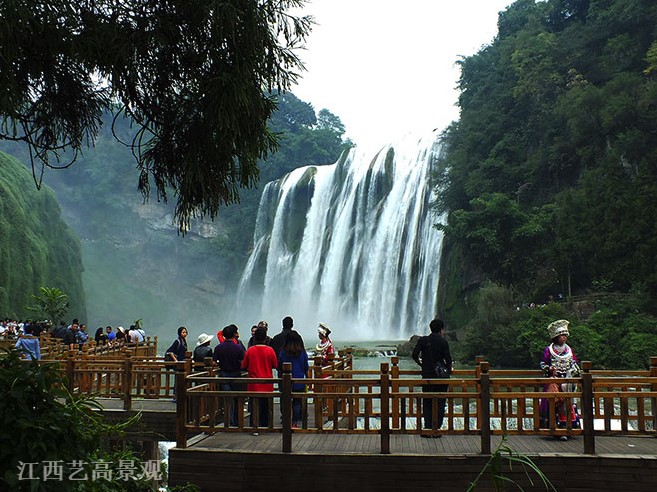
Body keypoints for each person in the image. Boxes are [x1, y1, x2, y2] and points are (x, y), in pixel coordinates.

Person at [539, 319, 581, 440]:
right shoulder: (549, 350)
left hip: (568, 380)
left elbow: (574, 363)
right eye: (561, 336)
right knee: (555, 402)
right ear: (556, 337)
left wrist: (574, 370)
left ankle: (569, 428)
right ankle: (555, 428)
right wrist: (549, 369)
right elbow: (543, 364)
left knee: (569, 403)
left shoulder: (569, 350)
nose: (563, 338)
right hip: (554, 380)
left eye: (565, 335)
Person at [412, 318, 452, 437]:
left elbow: (414, 354)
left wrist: (421, 364)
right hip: (441, 378)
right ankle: (436, 430)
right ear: (441, 330)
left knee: (428, 402)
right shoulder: (443, 342)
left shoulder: (423, 340)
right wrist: (448, 370)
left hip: (427, 376)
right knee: (440, 403)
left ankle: (427, 428)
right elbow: (448, 360)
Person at [242, 327, 278, 433]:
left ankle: (254, 427)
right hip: (267, 384)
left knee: (254, 407)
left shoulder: (250, 351)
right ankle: (266, 426)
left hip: (253, 384)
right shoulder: (270, 350)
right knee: (265, 407)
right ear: (265, 338)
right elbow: (275, 364)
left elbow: (244, 365)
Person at [213, 324, 246, 426]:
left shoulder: (218, 347)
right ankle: (238, 421)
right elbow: (243, 361)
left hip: (224, 375)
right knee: (237, 398)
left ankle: (229, 422)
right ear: (234, 334)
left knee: (228, 399)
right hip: (236, 375)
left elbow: (214, 361)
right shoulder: (238, 347)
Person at [278, 330, 309, 428]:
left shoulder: (283, 352)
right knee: (297, 403)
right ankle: (294, 422)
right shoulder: (302, 352)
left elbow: (279, 367)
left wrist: (280, 378)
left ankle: (285, 420)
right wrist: (308, 380)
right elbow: (306, 367)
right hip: (299, 382)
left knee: (285, 402)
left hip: (286, 381)